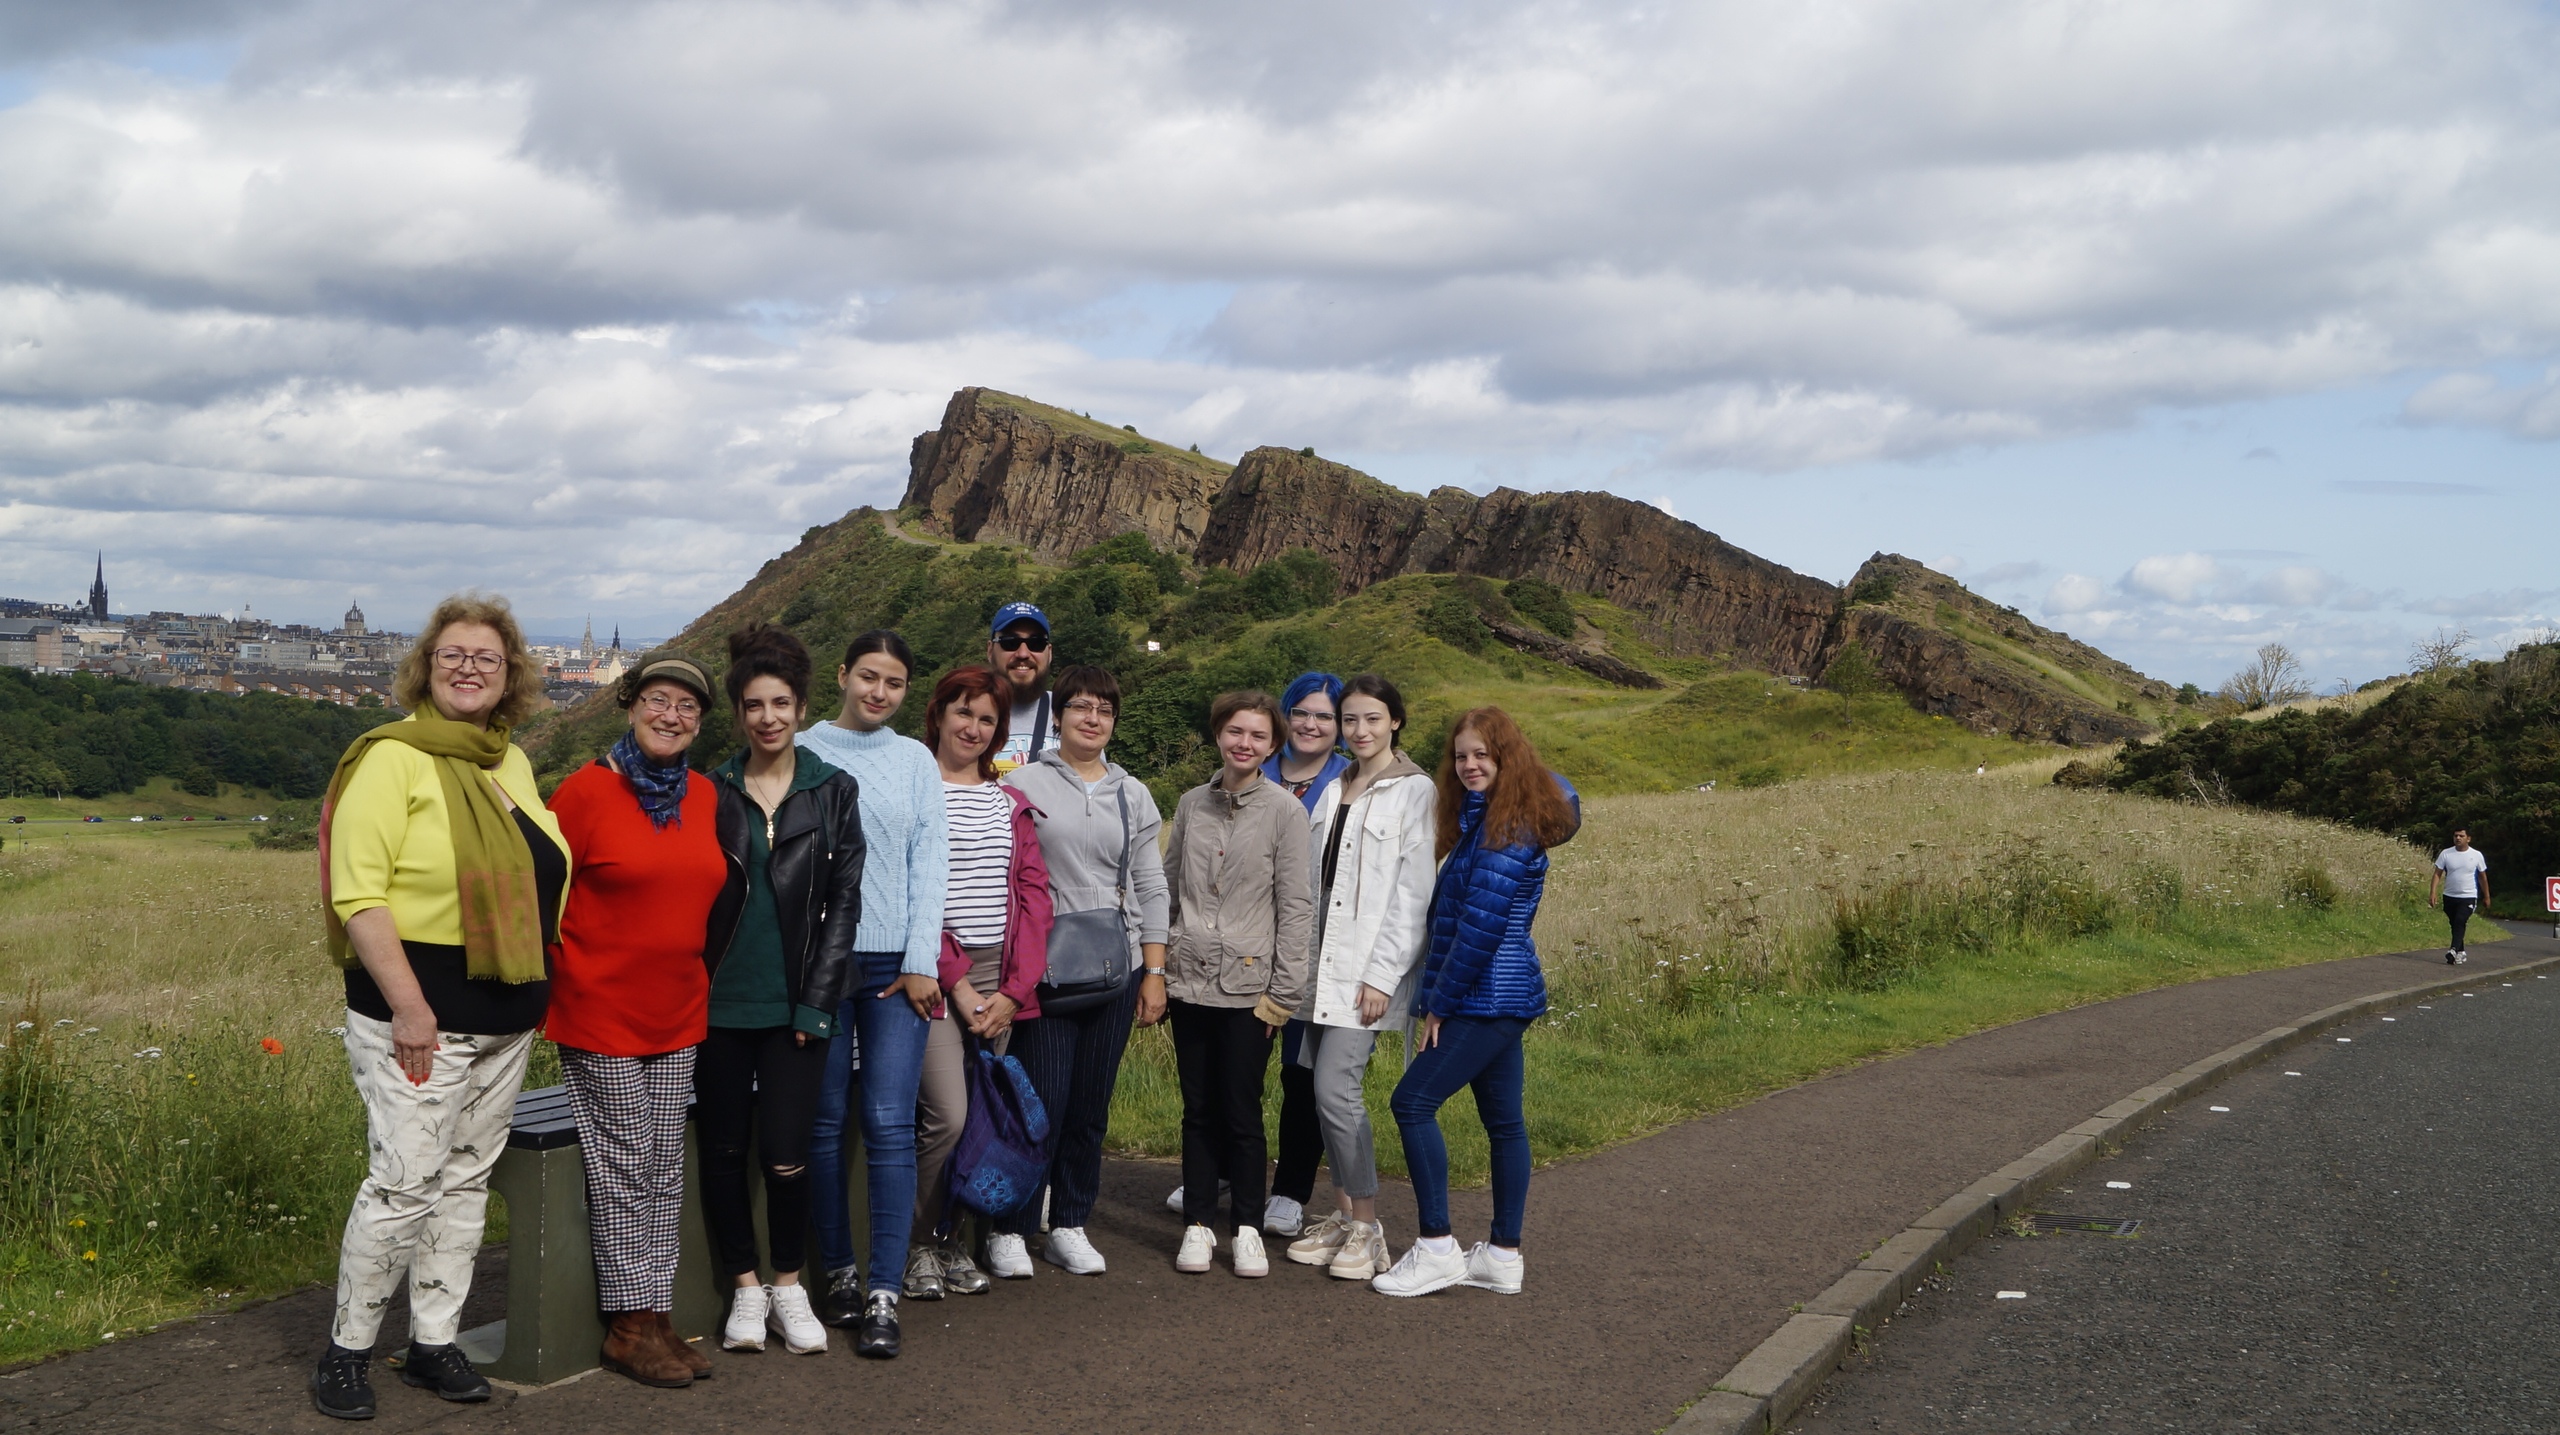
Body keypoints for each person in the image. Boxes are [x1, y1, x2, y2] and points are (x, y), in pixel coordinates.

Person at [310, 594, 568, 1420]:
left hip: (504, 1019)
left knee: (463, 1182)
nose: (468, 668)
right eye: (453, 654)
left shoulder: (509, 760)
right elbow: (360, 895)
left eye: (486, 658)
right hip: (418, 1017)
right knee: (403, 1183)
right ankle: (345, 1353)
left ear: (510, 677)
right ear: (426, 665)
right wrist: (411, 1005)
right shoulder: (392, 759)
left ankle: (432, 1341)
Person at [546, 651, 724, 1388]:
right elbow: (541, 897)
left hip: (678, 1008)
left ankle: (654, 1315)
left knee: (661, 1168)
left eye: (686, 707)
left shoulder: (704, 795)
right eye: (657, 700)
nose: (670, 716)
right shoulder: (584, 793)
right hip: (601, 1008)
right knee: (623, 1168)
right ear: (630, 705)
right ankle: (627, 1327)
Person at [698, 625, 866, 1358]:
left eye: (781, 703)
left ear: (801, 707)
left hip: (797, 1006)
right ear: (738, 713)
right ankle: (744, 1288)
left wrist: (817, 1004)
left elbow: (843, 906)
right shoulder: (711, 791)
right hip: (717, 1006)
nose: (767, 716)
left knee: (789, 1156)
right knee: (725, 1151)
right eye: (753, 704)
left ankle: (790, 1284)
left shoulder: (832, 790)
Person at [1373, 706, 1579, 1299]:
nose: (1468, 765)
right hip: (1500, 995)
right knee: (1504, 1122)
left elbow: (1478, 933)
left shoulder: (1505, 832)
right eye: (1461, 755)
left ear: (1506, 759)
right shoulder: (1489, 822)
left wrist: (1438, 1003)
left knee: (1411, 1102)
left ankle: (1437, 1247)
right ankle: (1502, 1256)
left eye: (1482, 755)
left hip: (1485, 996)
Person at [791, 630, 945, 1355]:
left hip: (892, 970)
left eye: (895, 682)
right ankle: (840, 1274)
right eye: (869, 677)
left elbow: (929, 863)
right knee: (822, 1122)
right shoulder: (804, 746)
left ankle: (885, 1289)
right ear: (844, 674)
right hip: (822, 965)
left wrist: (921, 959)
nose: (879, 692)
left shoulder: (915, 761)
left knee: (887, 1121)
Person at [994, 665, 1171, 1277]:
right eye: (1080, 707)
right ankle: (1012, 1227)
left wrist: (1154, 970)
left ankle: (1070, 1221)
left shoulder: (1134, 793)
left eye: (1104, 710)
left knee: (1090, 1107)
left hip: (1113, 967)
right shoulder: (1023, 784)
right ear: (1059, 715)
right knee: (1040, 1101)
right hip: (1043, 971)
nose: (1092, 719)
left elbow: (1151, 883)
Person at [1167, 672, 1349, 1233]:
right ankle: (1212, 1186)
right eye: (1302, 712)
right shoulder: (1199, 800)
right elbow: (1171, 885)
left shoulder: (1344, 782)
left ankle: (1283, 1195)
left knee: (1292, 1081)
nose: (1311, 724)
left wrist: (1282, 989)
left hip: (1293, 960)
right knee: (1207, 1098)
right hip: (1202, 969)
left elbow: (1298, 904)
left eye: (1325, 716)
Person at [1282, 675, 1437, 1281]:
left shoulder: (1415, 791)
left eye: (1373, 719)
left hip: (1364, 976)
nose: (1360, 731)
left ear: (1394, 721)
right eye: (1350, 720)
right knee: (1316, 1096)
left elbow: (1412, 894)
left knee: (1336, 1095)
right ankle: (1345, 1218)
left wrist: (1381, 977)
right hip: (1316, 970)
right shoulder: (1335, 786)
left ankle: (1369, 1227)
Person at [907, 665, 1052, 1298]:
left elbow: (1032, 896)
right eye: (962, 712)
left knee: (983, 1120)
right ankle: (914, 1247)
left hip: (1001, 976)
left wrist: (1016, 991)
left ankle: (953, 1242)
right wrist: (960, 985)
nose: (972, 727)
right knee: (947, 1114)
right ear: (938, 714)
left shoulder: (1008, 799)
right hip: (941, 976)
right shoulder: (916, 792)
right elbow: (915, 896)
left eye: (986, 719)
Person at [985, 603, 1061, 774]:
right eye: (1010, 642)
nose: (1023, 654)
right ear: (990, 650)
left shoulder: (1073, 713)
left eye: (1036, 643)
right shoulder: (964, 716)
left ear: (1049, 653)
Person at [2431, 828, 2490, 965]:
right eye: (2456, 836)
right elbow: (2437, 874)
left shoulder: (2476, 855)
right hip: (2450, 895)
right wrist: (2433, 892)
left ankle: (2452, 950)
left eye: (2461, 836)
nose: (2458, 838)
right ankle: (2461, 951)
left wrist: (2486, 896)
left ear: (2468, 838)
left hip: (2468, 895)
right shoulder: (2446, 853)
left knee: (2460, 920)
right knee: (2454, 923)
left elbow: (2483, 877)